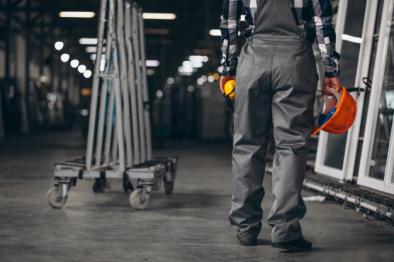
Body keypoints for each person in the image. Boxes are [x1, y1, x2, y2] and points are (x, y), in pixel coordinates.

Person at [219, 0, 340, 252]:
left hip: (253, 60)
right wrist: (331, 70)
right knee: (291, 146)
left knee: (247, 144)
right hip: (295, 61)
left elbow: (229, 23)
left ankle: (245, 227)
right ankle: (285, 230)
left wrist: (227, 67)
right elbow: (322, 23)